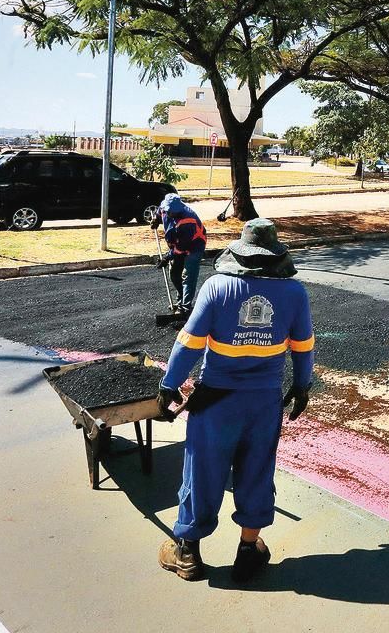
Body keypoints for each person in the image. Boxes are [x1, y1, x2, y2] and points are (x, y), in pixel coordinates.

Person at [157, 218, 314, 583]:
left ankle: (187, 554)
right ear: (276, 256)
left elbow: (190, 341)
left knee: (202, 471)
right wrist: (302, 386)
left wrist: (170, 384)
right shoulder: (294, 293)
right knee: (257, 470)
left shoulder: (217, 287)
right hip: (263, 403)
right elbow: (303, 346)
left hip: (215, 401)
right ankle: (248, 550)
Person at [152, 193, 207, 318]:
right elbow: (160, 211)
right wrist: (156, 219)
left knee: (188, 276)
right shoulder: (166, 206)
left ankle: (185, 308)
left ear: (178, 210)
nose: (168, 214)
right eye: (167, 212)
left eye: (172, 213)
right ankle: (181, 300)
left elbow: (182, 248)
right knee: (174, 274)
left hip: (194, 247)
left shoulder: (188, 221)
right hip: (177, 245)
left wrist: (167, 257)